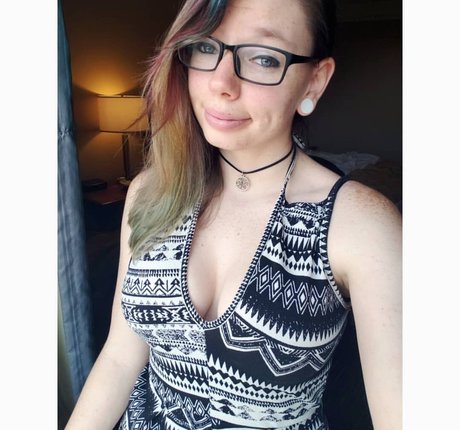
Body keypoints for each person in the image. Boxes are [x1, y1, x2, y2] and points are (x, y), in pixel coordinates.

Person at [65, 0, 402, 428]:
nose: (221, 83)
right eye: (206, 47)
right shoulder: (151, 191)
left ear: (314, 81)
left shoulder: (359, 224)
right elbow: (120, 358)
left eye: (264, 58)